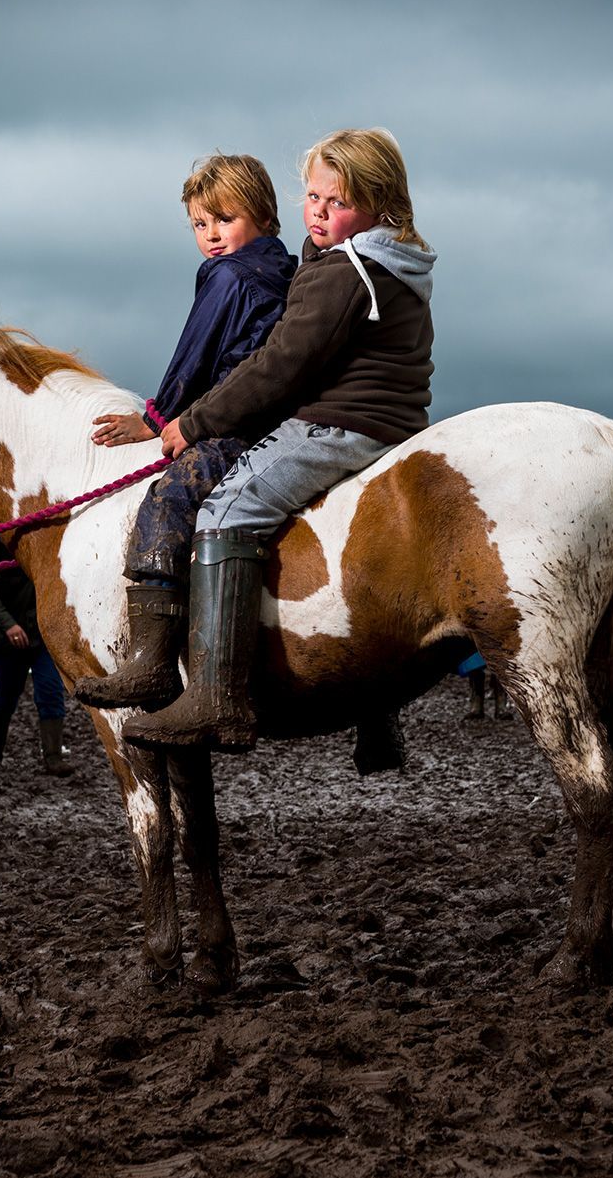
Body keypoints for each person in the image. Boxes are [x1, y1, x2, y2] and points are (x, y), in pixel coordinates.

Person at [91, 128, 435, 762]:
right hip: (390, 425)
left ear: (381, 203)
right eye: (313, 196)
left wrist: (190, 423)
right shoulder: (375, 261)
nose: (321, 212)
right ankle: (375, 709)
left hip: (340, 423)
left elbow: (281, 363)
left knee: (225, 509)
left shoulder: (345, 272)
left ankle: (216, 695)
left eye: (340, 201)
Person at [76, 153, 297, 711]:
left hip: (234, 422)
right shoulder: (287, 268)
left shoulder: (229, 275)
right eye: (201, 224)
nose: (212, 236)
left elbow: (194, 358)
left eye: (225, 218)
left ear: (263, 214)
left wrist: (154, 419)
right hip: (285, 419)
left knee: (168, 500)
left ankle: (151, 661)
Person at [0, 538, 72, 776]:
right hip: (8, 640)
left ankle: (53, 757)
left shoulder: (52, 546)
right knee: (5, 698)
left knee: (51, 692)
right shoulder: (0, 548)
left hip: (42, 638)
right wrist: (9, 625)